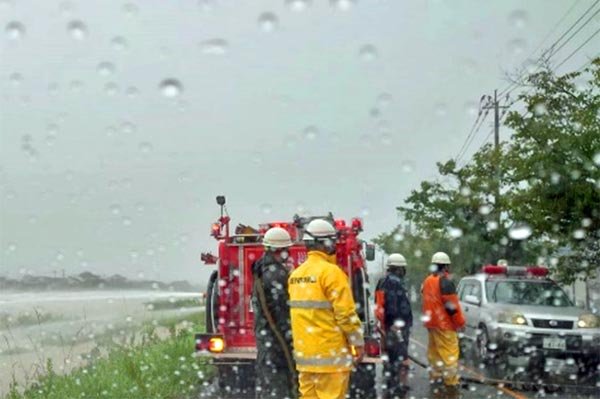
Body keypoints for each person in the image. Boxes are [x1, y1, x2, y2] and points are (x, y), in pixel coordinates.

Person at [288, 219, 364, 399]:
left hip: (305, 359)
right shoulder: (332, 273)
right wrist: (357, 342)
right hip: (331, 359)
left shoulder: (295, 275)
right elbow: (345, 314)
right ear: (327, 244)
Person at [252, 227, 297, 399]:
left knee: (268, 386)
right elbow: (282, 315)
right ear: (282, 251)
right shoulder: (276, 275)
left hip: (267, 343)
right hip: (277, 345)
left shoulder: (261, 269)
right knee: (280, 389)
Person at [421, 252, 465, 398]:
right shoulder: (445, 282)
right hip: (445, 325)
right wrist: (460, 323)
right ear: (446, 266)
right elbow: (451, 307)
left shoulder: (427, 280)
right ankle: (451, 384)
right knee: (450, 354)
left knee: (434, 354)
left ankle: (436, 379)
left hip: (431, 324)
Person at [375, 253, 413, 399]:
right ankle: (397, 387)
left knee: (391, 355)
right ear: (399, 269)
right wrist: (396, 325)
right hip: (395, 326)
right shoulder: (393, 282)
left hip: (387, 324)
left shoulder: (382, 281)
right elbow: (392, 306)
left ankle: (392, 384)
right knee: (399, 356)